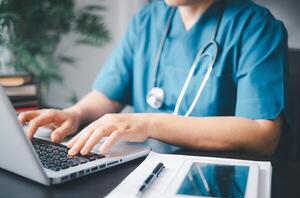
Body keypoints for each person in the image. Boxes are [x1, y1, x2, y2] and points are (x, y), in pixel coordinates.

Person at [18, 0, 287, 156]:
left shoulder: (255, 26)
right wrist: (75, 114)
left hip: (216, 176)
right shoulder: (148, 18)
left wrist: (148, 123)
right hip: (144, 163)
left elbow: (263, 134)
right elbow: (109, 94)